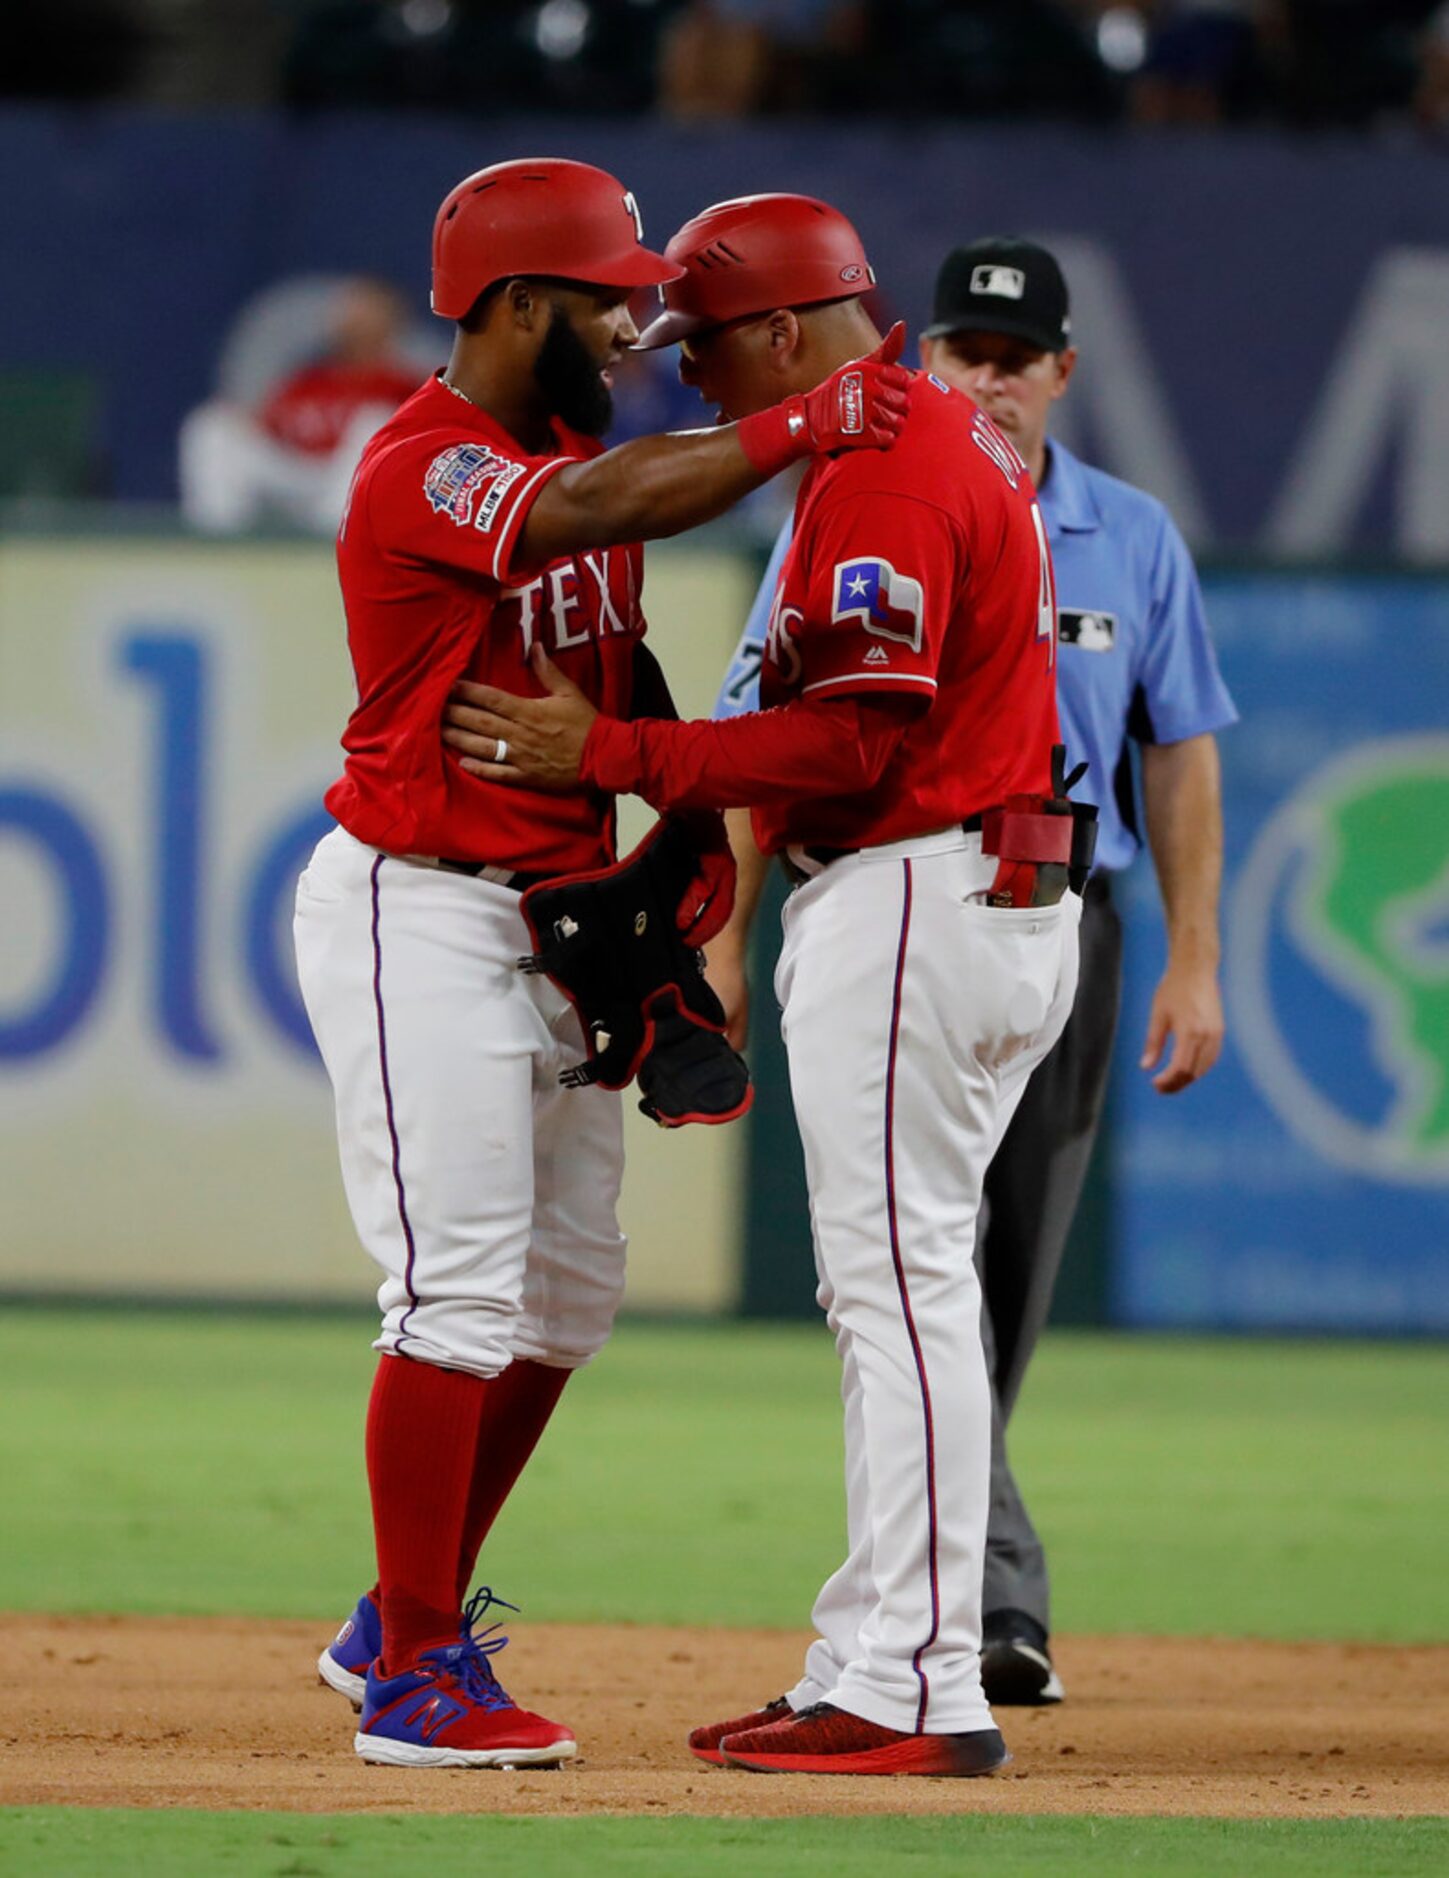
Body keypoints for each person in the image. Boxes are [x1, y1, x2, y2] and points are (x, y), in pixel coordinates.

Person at [439, 192, 1082, 1776]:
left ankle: (918, 1685)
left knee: (901, 1291)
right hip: (966, 884)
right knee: (890, 1285)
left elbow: (850, 737)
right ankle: (870, 1652)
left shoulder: (883, 468)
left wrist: (619, 756)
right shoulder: (916, 443)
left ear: (787, 330)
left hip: (926, 889)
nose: (696, 380)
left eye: (711, 345)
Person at [295, 158, 910, 1772]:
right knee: (454, 1286)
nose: (636, 319)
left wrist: (676, 817)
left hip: (559, 910)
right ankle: (418, 1671)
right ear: (512, 307)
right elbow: (592, 511)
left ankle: (392, 1608)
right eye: (601, 296)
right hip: (416, 904)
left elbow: (604, 633)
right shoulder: (422, 462)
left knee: (567, 1294)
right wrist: (801, 422)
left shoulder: (562, 436)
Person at [709, 236, 1237, 1706]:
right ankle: (971, 1608)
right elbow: (763, 719)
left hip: (1060, 913)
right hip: (903, 899)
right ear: (919, 356)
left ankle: (916, 1629)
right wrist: (726, 933)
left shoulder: (1127, 534)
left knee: (968, 1271)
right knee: (914, 1269)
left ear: (1063, 369)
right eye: (962, 350)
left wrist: (1195, 956)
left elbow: (1180, 754)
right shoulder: (865, 500)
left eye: (1013, 355)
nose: (986, 377)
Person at [179, 277, 423, 535]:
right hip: (293, 474)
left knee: (377, 422)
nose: (353, 318)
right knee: (213, 424)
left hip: (348, 491)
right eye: (350, 309)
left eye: (365, 310)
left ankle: (337, 544)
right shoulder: (308, 379)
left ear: (392, 320)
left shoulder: (405, 385)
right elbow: (269, 429)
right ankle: (216, 540)